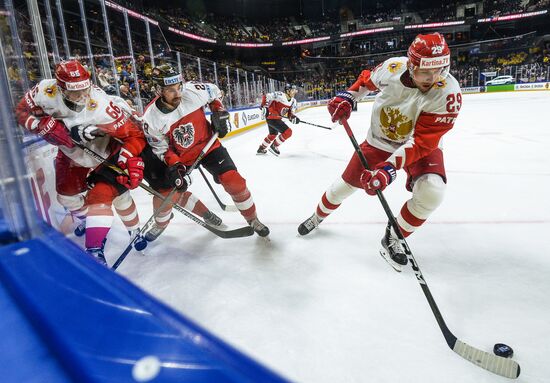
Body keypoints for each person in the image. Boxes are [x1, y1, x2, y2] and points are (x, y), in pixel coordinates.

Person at [298, 33, 462, 270]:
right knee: (340, 190)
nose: (433, 78)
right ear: (411, 65)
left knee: (432, 192)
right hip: (379, 143)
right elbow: (366, 81)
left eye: (439, 70)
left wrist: (388, 170)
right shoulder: (392, 68)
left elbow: (421, 143)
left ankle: (393, 237)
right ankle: (317, 216)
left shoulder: (448, 93)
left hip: (421, 147)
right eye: (426, 71)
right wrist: (348, 96)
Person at [15, 60, 148, 265]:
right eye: (75, 92)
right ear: (60, 88)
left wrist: (126, 157)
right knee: (66, 198)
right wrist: (40, 125)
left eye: (85, 89)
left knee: (118, 196)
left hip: (103, 153)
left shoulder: (102, 105)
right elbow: (21, 111)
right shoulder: (44, 90)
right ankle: (88, 219)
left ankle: (133, 230)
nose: (82, 96)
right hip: (71, 155)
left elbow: (134, 135)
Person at [141, 64, 270, 237]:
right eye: (171, 90)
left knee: (234, 181)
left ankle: (253, 219)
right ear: (158, 90)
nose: (178, 93)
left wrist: (219, 110)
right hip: (182, 157)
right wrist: (175, 165)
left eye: (179, 87)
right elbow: (161, 148)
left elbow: (215, 92)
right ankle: (165, 223)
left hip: (208, 146)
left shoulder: (193, 91)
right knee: (167, 196)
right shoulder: (151, 117)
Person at [256, 84, 300, 156]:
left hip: (275, 118)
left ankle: (261, 149)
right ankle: (274, 146)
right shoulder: (280, 95)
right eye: (292, 90)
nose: (294, 92)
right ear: (287, 91)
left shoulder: (293, 101)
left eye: (295, 90)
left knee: (273, 134)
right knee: (288, 132)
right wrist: (264, 106)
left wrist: (293, 118)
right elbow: (266, 96)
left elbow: (290, 115)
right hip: (272, 117)